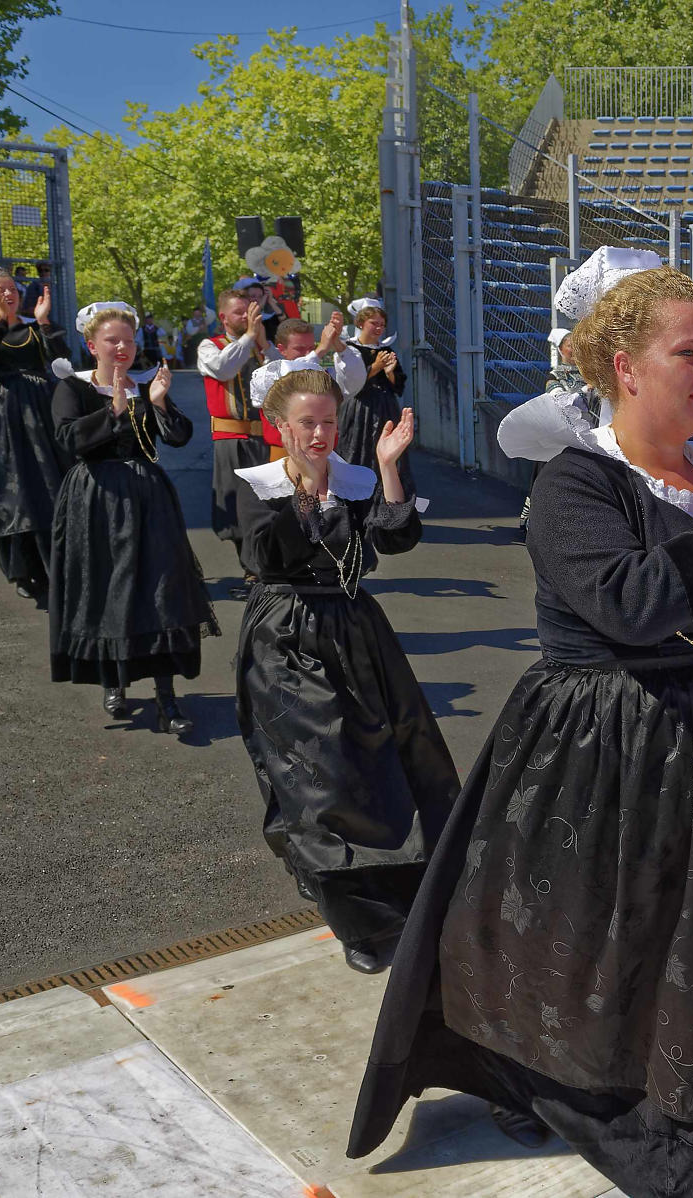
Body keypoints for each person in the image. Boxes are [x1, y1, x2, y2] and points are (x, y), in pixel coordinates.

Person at [350, 267, 693, 1194]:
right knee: (598, 946)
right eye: (690, 354)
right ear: (627, 368)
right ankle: (566, 1083)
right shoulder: (575, 484)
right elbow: (631, 606)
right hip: (605, 750)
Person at [233, 371, 456, 975]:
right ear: (281, 426)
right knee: (318, 779)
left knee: (395, 761)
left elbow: (398, 538)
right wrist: (308, 491)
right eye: (307, 422)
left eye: (329, 422)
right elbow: (267, 554)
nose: (320, 433)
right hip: (286, 636)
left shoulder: (356, 480)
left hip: (357, 630)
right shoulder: (258, 485)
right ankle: (355, 919)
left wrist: (387, 467)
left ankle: (409, 894)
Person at [48, 302, 218, 733]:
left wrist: (158, 403)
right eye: (112, 341)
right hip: (96, 499)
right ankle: (114, 682)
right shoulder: (73, 387)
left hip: (148, 498)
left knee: (162, 591)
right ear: (92, 346)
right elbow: (68, 440)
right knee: (107, 589)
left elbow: (178, 437)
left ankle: (167, 699)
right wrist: (113, 412)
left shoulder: (146, 384)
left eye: (128, 340)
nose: (122, 347)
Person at [0, 264, 72, 604]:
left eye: (12, 288)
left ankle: (61, 568)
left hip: (40, 411)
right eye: (1, 290)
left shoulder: (33, 328)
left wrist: (43, 321)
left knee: (49, 484)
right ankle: (24, 570)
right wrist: (0, 317)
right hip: (2, 416)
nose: (9, 294)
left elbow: (62, 360)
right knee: (12, 493)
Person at [196, 288, 277, 591]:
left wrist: (264, 344)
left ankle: (260, 567)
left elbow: (281, 376)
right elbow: (223, 368)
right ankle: (252, 568)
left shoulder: (259, 346)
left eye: (250, 311)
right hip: (230, 437)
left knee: (266, 503)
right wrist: (250, 337)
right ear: (224, 317)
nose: (247, 317)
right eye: (240, 312)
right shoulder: (210, 346)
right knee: (235, 506)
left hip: (263, 438)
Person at [250, 314, 366, 464]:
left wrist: (337, 344)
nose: (307, 353)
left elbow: (354, 383)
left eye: (311, 348)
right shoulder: (269, 375)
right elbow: (292, 374)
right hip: (284, 459)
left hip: (322, 457)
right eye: (300, 349)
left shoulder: (321, 374)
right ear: (282, 349)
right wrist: (320, 350)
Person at [341, 298, 413, 496]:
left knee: (388, 452)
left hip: (385, 408)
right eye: (374, 323)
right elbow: (351, 383)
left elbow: (398, 385)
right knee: (358, 450)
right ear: (360, 323)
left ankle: (387, 495)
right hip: (360, 409)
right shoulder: (350, 349)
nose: (379, 328)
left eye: (382, 324)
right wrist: (376, 367)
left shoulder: (386, 350)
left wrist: (389, 373)